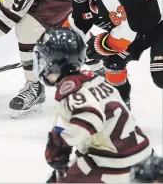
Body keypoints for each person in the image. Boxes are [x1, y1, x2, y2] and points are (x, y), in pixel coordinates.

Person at [33, 27, 153, 183]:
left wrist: (61, 142)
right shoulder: (93, 79)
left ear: (55, 63)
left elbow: (91, 117)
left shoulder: (72, 89)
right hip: (138, 152)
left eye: (44, 58)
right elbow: (94, 136)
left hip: (118, 160)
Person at [58, 0, 163, 107]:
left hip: (158, 24)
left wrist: (96, 45)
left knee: (161, 76)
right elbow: (76, 25)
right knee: (113, 62)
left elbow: (124, 37)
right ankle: (121, 107)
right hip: (138, 28)